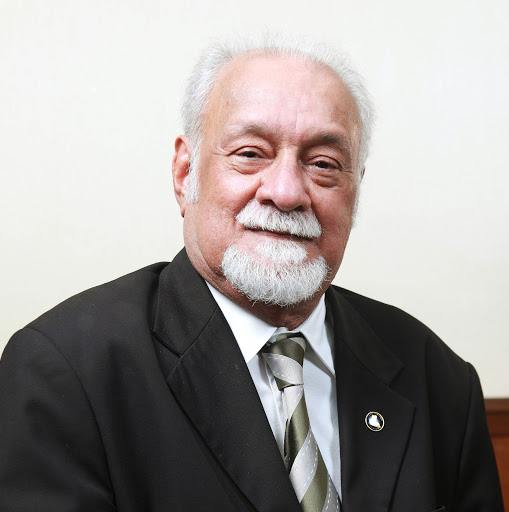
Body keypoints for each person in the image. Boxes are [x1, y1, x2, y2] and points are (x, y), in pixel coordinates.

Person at [0, 34, 503, 512]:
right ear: (185, 173)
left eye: (323, 163)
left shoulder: (439, 380)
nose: (286, 192)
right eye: (250, 154)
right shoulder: (65, 373)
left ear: (356, 189)